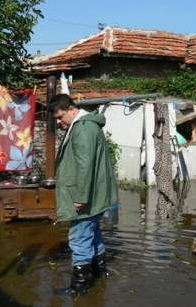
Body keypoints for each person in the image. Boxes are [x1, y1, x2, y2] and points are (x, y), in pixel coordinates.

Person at [49, 94, 118, 295]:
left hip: (86, 196)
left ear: (71, 109)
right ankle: (99, 272)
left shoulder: (83, 128)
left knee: (79, 238)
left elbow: (84, 165)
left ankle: (80, 287)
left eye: (60, 117)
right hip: (95, 194)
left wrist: (80, 197)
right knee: (92, 234)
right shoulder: (86, 125)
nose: (59, 123)